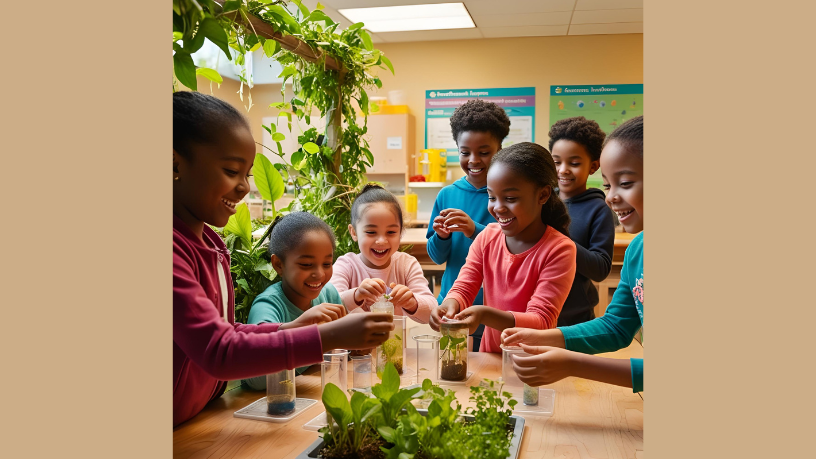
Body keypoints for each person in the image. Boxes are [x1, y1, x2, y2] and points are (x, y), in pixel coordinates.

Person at [173, 91, 393, 426]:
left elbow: (227, 330)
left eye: (247, 173)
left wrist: (289, 328)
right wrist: (329, 336)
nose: (245, 186)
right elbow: (219, 351)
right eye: (232, 171)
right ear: (175, 164)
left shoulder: (209, 242)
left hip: (199, 417)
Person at [501, 116, 644, 393]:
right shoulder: (637, 250)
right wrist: (547, 337)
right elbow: (616, 326)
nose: (610, 197)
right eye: (607, 186)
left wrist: (573, 364)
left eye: (624, 183)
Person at [429, 142, 577, 353]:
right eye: (491, 197)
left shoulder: (559, 249)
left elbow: (541, 321)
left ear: (542, 195)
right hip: (490, 358)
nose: (497, 207)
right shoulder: (488, 237)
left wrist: (485, 315)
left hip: (533, 364)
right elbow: (465, 285)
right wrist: (449, 305)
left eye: (510, 198)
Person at [426, 100, 511, 350]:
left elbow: (515, 249)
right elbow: (436, 257)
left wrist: (474, 229)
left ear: (500, 149)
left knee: (494, 384)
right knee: (454, 379)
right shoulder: (447, 195)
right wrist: (441, 237)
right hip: (453, 308)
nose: (474, 160)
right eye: (465, 152)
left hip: (496, 311)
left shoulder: (510, 195)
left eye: (484, 152)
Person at [242, 212, 347, 390]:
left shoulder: (328, 294)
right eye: (306, 265)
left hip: (315, 396)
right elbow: (255, 379)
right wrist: (307, 333)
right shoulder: (268, 306)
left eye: (327, 264)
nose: (320, 274)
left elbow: (342, 351)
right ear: (278, 265)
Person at [330, 184, 436, 324]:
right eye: (371, 232)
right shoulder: (346, 265)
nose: (381, 241)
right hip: (355, 345)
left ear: (401, 232)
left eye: (391, 232)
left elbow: (433, 310)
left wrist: (411, 302)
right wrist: (356, 295)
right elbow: (330, 305)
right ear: (354, 232)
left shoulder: (406, 264)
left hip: (397, 344)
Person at [549, 116, 616, 326]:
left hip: (575, 321)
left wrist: (559, 240)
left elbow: (600, 269)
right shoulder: (540, 201)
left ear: (593, 166)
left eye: (574, 163)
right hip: (534, 315)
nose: (563, 170)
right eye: (556, 162)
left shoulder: (600, 209)